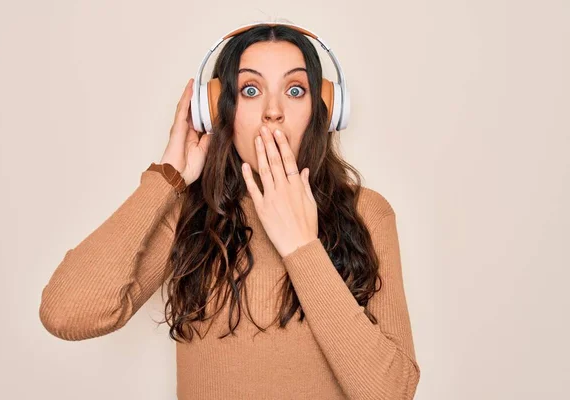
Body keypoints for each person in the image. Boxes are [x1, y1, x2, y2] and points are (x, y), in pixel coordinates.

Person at [39, 23, 421, 400]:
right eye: (250, 90)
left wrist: (302, 246)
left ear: (324, 110)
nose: (273, 111)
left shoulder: (368, 212)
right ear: (218, 112)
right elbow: (66, 314)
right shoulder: (189, 213)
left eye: (295, 90)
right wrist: (166, 179)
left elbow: (392, 392)